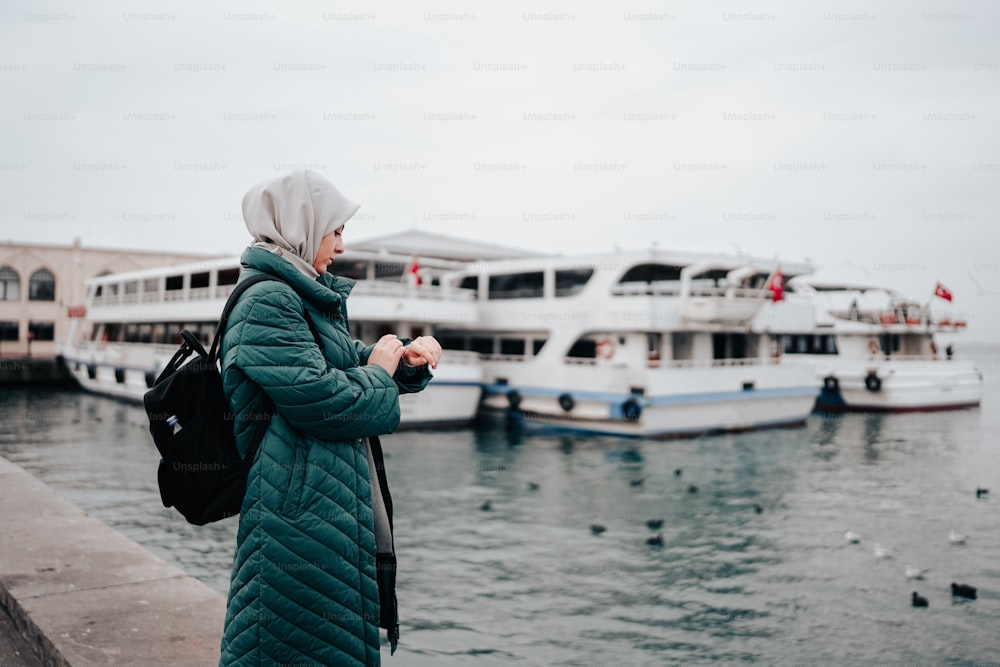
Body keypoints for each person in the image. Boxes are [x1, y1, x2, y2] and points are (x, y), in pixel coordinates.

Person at [218, 170, 442, 666]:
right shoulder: (270, 300)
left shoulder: (299, 294)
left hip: (316, 504)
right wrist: (381, 375)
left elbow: (346, 362)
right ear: (301, 223)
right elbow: (323, 400)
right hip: (297, 513)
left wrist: (404, 362)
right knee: (297, 642)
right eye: (335, 230)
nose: (340, 247)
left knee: (316, 643)